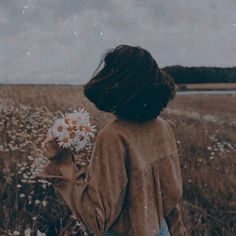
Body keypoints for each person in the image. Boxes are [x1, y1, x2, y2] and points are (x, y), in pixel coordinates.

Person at [40, 45, 188, 236]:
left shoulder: (113, 136)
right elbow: (170, 201)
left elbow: (95, 218)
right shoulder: (163, 128)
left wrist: (63, 162)